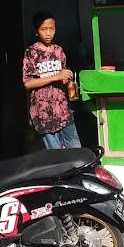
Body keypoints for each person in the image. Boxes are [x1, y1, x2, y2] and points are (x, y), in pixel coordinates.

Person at [22, 11, 81, 149]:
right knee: (56, 157)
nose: (48, 33)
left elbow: (62, 76)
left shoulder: (59, 51)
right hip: (43, 114)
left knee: (75, 150)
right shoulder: (31, 52)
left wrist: (66, 79)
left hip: (63, 111)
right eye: (44, 29)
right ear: (36, 31)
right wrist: (56, 76)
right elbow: (28, 83)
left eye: (52, 29)